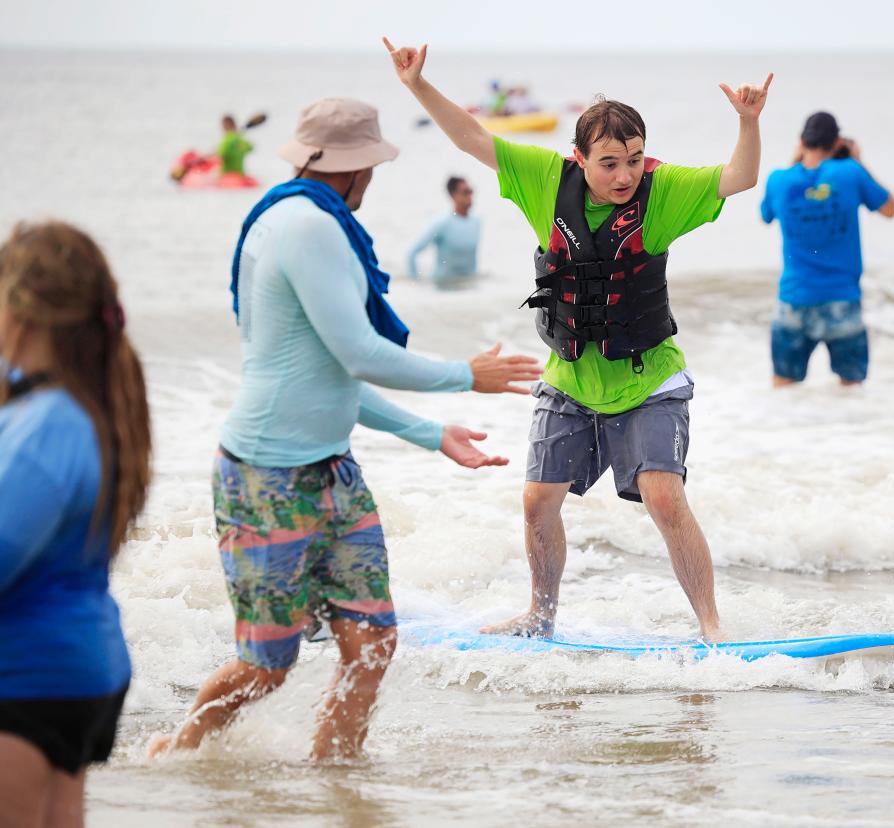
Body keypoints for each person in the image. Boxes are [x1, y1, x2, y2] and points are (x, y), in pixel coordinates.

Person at [149, 98, 542, 761]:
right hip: (264, 478)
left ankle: (337, 773)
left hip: (333, 473)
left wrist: (429, 432)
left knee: (373, 642)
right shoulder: (305, 228)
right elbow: (359, 352)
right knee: (265, 666)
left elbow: (327, 376)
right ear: (356, 167)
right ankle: (178, 754)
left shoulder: (299, 216)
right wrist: (463, 373)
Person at [384, 37, 773, 642]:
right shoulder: (545, 181)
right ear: (579, 158)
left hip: (648, 377)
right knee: (538, 500)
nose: (625, 175)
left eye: (636, 159)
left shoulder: (663, 193)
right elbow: (472, 138)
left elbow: (740, 178)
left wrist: (747, 123)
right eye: (610, 163)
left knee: (663, 497)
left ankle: (712, 627)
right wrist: (416, 86)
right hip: (568, 377)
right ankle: (540, 616)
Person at [0, 221, 152, 825]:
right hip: (74, 666)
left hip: (30, 679)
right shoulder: (72, 401)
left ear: (23, 311)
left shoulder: (49, 431)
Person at [760, 112, 894, 387]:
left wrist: (794, 161)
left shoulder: (779, 179)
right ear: (836, 143)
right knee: (851, 388)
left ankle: (778, 430)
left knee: (783, 384)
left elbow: (766, 215)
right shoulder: (850, 172)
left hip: (794, 297)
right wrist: (859, 161)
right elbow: (890, 209)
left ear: (802, 141)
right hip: (842, 297)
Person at [408, 176, 481, 287]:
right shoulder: (442, 223)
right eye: (465, 192)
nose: (470, 196)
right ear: (453, 195)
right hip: (444, 288)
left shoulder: (476, 222)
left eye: (471, 191)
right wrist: (415, 282)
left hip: (469, 286)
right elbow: (412, 253)